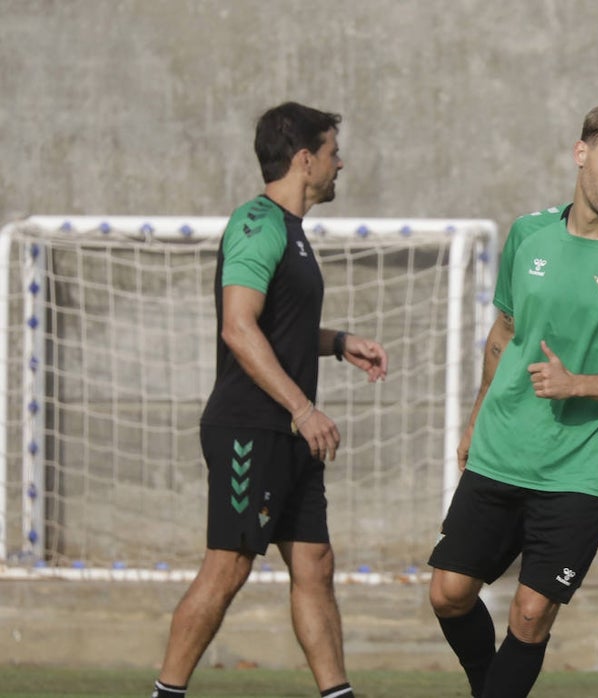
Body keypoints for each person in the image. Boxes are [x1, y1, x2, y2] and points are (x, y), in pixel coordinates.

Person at [428, 101, 598, 698]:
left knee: (529, 614)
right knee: (447, 593)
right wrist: (474, 421)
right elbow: (503, 335)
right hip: (504, 446)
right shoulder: (529, 233)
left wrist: (582, 384)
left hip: (582, 467)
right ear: (582, 154)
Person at [152, 102, 388, 698]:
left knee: (316, 566)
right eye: (334, 151)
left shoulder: (293, 234)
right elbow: (239, 327)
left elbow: (275, 328)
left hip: (287, 430)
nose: (341, 163)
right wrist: (303, 409)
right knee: (228, 568)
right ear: (305, 159)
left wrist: (337, 343)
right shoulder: (257, 223)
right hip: (251, 428)